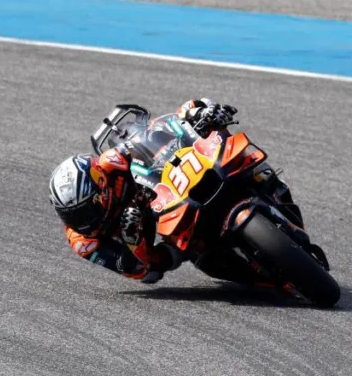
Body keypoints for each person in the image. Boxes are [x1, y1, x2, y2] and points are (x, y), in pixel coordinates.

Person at [48, 98, 302, 285]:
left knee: (254, 170)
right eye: (70, 216)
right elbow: (143, 272)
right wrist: (135, 241)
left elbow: (167, 124)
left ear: (99, 187)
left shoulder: (110, 162)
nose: (79, 222)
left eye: (82, 212)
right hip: (155, 235)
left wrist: (200, 113)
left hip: (172, 191)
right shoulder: (84, 242)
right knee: (192, 261)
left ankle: (271, 198)